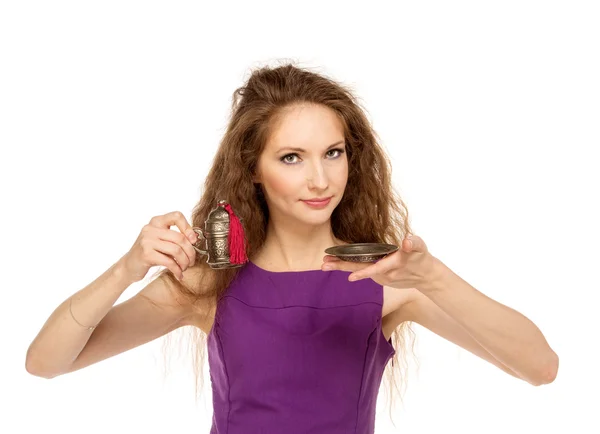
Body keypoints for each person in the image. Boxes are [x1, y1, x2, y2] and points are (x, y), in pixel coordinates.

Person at [25, 62, 559, 433]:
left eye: (333, 152)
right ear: (252, 170)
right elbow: (45, 363)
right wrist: (126, 268)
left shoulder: (384, 282)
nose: (320, 179)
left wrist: (433, 277)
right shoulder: (211, 283)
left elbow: (540, 368)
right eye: (291, 158)